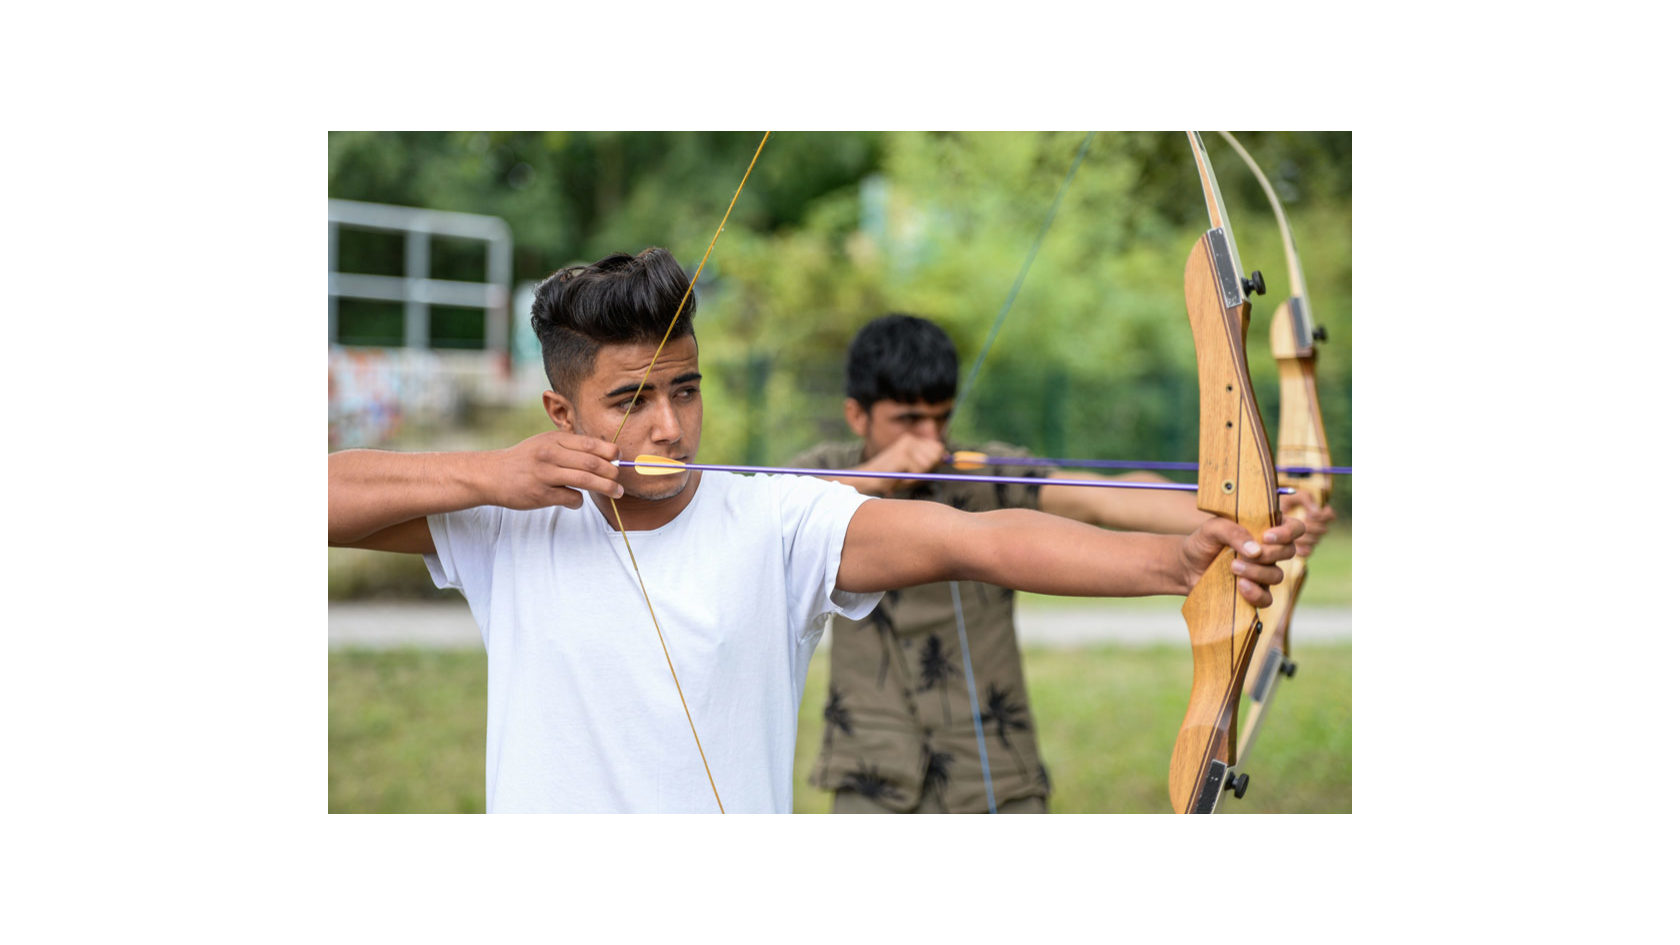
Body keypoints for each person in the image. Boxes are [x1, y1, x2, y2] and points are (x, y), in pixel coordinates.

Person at [327, 248, 1306, 814]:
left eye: (686, 389)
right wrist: (486, 475)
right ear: (561, 412)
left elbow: (984, 539)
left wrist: (1172, 561)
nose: (668, 425)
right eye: (629, 399)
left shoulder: (776, 519)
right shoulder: (506, 523)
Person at [792, 314, 1334, 813]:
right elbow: (770, 506)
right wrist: (883, 471)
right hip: (871, 773)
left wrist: (1254, 514)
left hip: (997, 773)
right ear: (856, 414)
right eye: (908, 421)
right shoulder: (822, 477)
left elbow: (1107, 495)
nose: (931, 440)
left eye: (940, 418)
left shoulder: (985, 473)